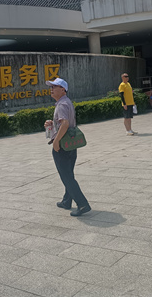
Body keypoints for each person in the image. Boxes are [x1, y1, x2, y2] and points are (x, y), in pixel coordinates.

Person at [44, 78, 91, 217]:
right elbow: (64, 123)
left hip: (62, 145)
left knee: (66, 176)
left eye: (55, 87)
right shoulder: (66, 102)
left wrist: (56, 141)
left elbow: (64, 124)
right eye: (51, 87)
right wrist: (52, 124)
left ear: (63, 89)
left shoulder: (62, 104)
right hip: (70, 144)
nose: (51, 89)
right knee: (68, 174)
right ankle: (66, 201)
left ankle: (82, 204)